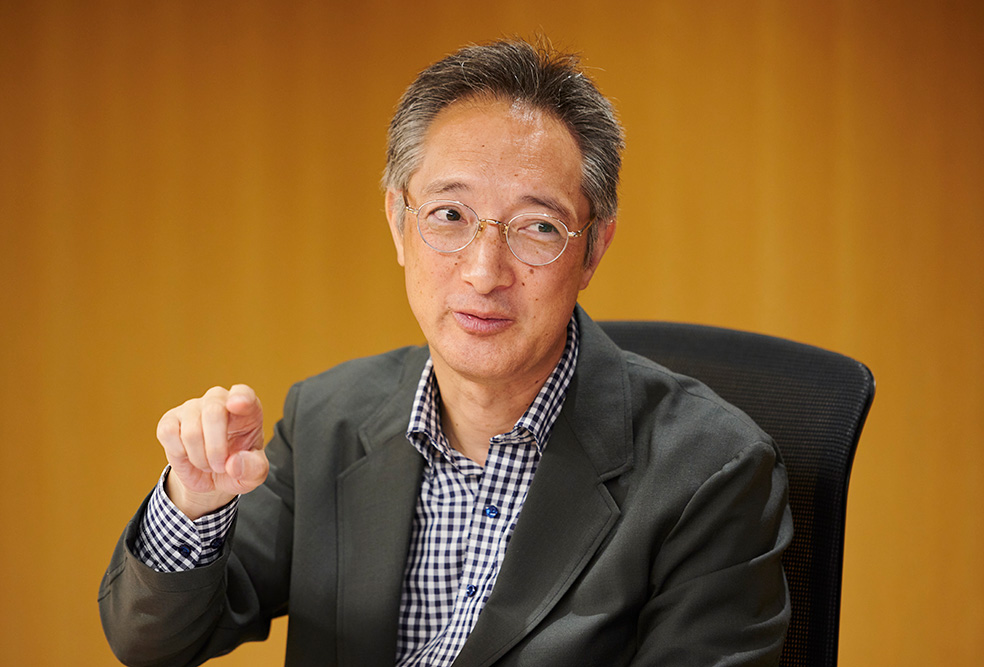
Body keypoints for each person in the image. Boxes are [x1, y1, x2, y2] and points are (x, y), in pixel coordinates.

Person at [99, 38, 792, 666]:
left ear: (593, 249)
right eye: (449, 216)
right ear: (398, 224)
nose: (484, 272)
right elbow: (154, 641)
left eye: (538, 226)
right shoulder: (328, 419)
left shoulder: (709, 470)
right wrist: (194, 503)